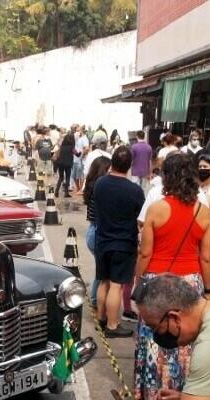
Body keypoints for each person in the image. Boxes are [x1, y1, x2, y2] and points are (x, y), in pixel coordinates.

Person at [133, 154, 210, 400]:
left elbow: (145, 253)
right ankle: (181, 396)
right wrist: (208, 287)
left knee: (153, 338)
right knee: (185, 339)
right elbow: (207, 255)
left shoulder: (157, 208)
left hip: (158, 279)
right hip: (191, 281)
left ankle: (151, 394)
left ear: (166, 176)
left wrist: (138, 283)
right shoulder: (204, 211)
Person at [94, 146, 144, 337]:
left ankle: (101, 318)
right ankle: (113, 326)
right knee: (116, 285)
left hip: (103, 240)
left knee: (103, 281)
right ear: (129, 165)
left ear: (112, 161)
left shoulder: (100, 184)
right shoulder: (135, 190)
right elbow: (141, 218)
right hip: (123, 243)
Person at [84, 156, 112, 307]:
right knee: (102, 273)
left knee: (101, 271)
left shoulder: (92, 185)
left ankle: (95, 299)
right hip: (97, 232)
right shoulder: (100, 188)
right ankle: (95, 300)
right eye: (109, 169)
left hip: (92, 231)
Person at [55, 128, 76, 199]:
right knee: (67, 178)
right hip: (68, 164)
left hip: (60, 163)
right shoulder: (72, 147)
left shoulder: (62, 146)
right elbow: (77, 154)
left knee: (61, 178)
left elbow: (58, 154)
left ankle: (56, 191)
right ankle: (66, 193)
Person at [72, 125, 89, 194]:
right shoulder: (78, 138)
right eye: (76, 131)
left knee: (80, 175)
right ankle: (78, 188)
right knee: (74, 175)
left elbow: (86, 148)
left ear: (82, 131)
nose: (77, 132)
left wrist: (81, 157)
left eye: (78, 131)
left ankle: (81, 190)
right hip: (75, 159)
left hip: (81, 160)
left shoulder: (84, 138)